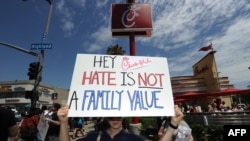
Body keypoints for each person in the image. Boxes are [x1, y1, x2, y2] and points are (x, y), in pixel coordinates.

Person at [57, 105, 184, 141]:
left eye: (118, 116)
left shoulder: (133, 138)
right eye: (111, 117)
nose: (115, 119)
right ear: (106, 118)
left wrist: (173, 125)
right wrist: (63, 123)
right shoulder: (94, 136)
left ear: (123, 117)